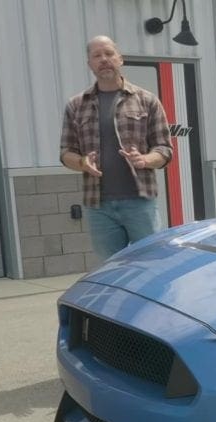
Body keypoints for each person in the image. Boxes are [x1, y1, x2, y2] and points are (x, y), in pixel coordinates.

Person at [59, 35, 173, 259]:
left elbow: (164, 149)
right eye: (97, 55)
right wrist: (82, 162)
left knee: (151, 263)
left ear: (120, 59)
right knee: (110, 270)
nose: (104, 59)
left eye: (109, 53)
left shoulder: (147, 100)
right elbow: (65, 153)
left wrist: (144, 160)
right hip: (99, 206)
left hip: (140, 202)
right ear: (89, 64)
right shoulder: (76, 105)